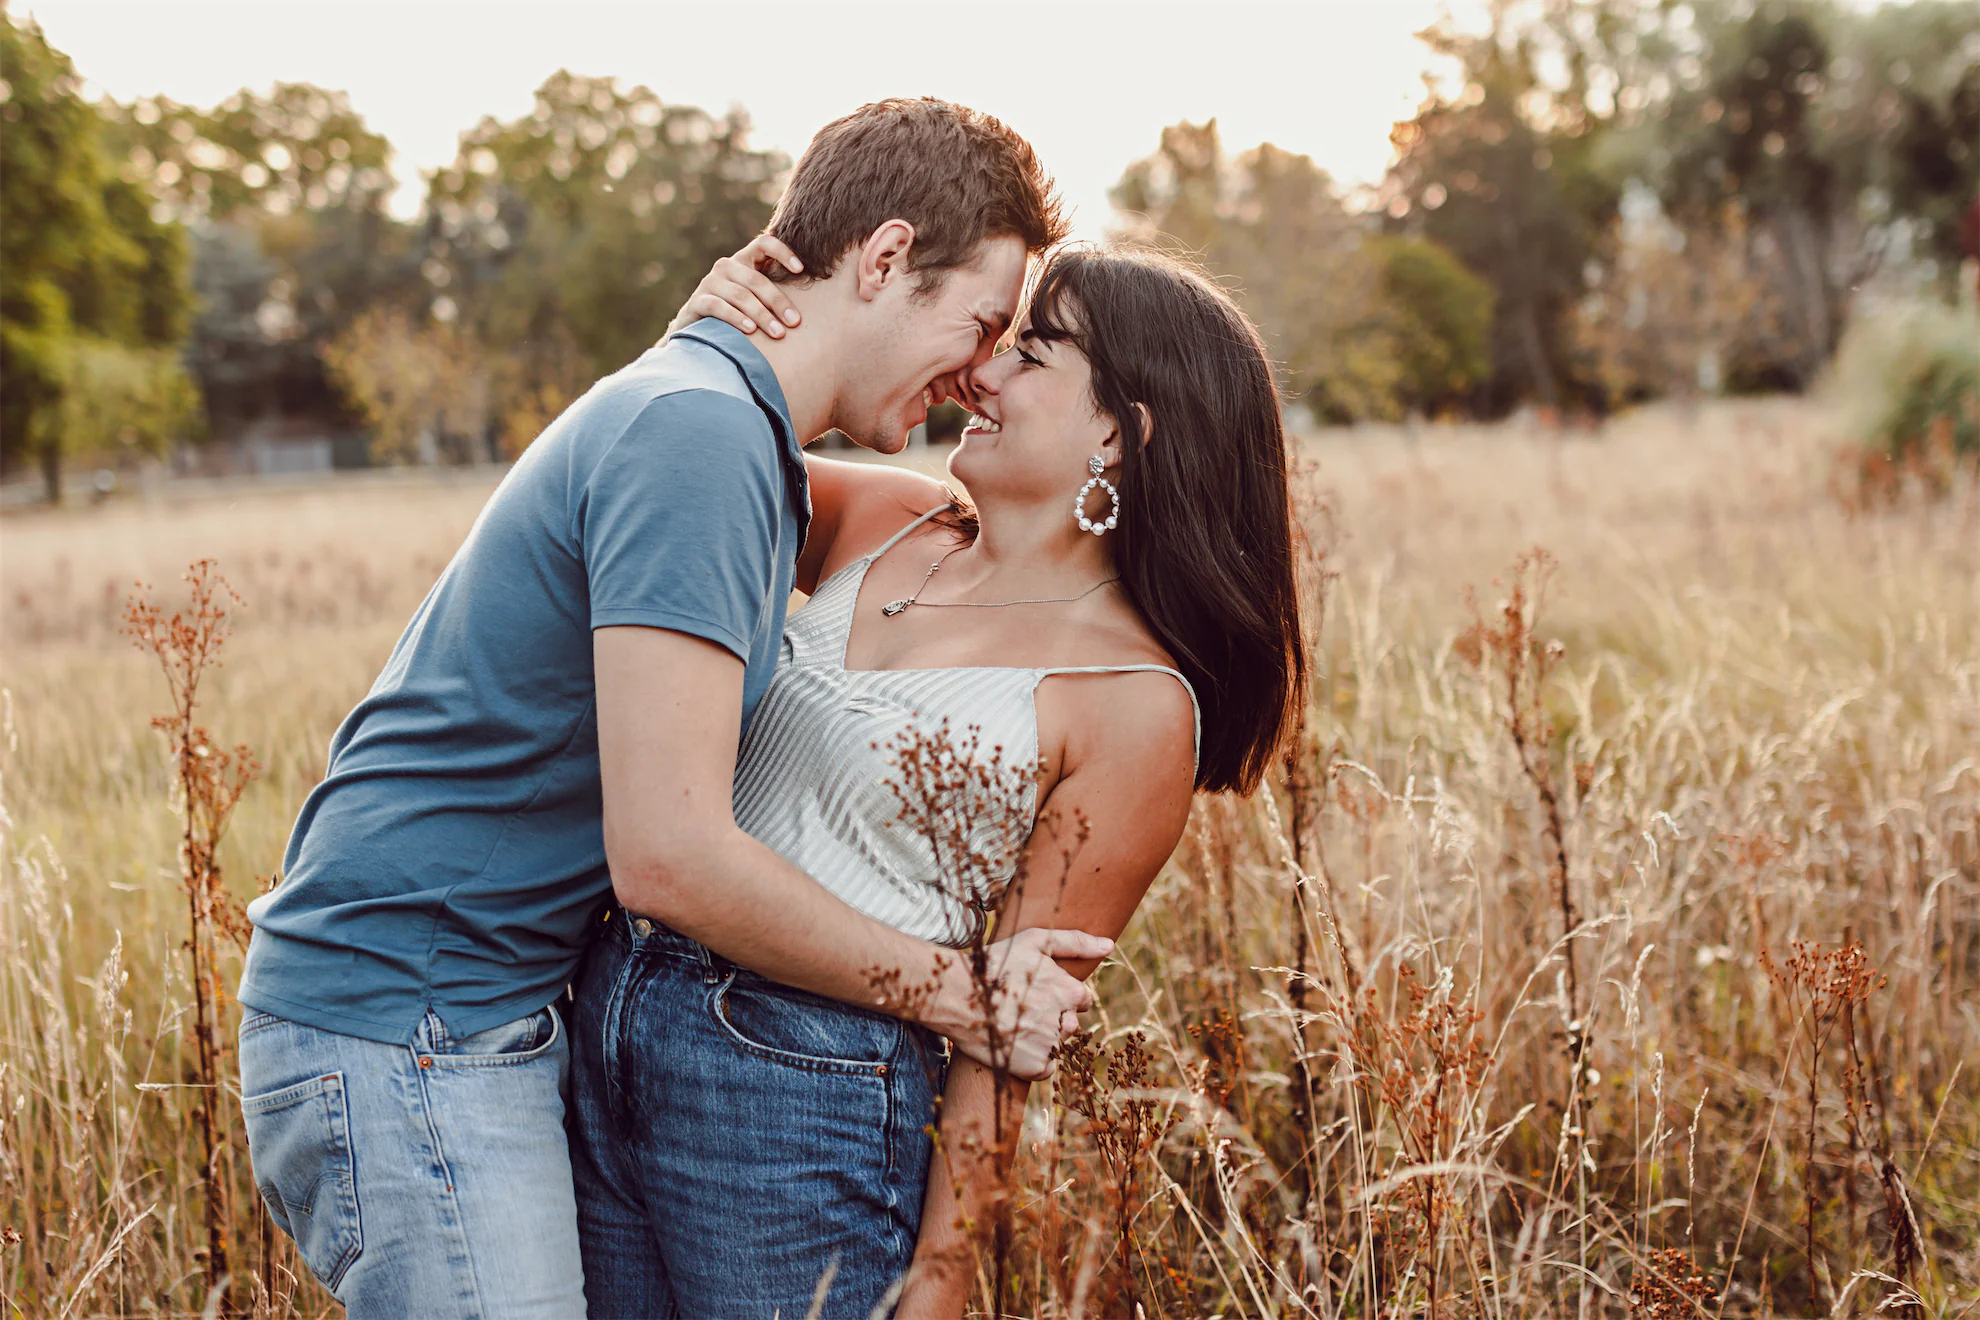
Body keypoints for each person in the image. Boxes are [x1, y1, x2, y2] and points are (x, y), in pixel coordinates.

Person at [232, 98, 1106, 1319]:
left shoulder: (714, 419)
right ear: (888, 257)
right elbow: (670, 858)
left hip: (470, 1014)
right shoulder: (698, 432)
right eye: (978, 323)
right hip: (411, 1024)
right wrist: (957, 993)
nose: (977, 370)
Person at [568, 238, 1306, 1317]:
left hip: (806, 1097)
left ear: (1122, 427)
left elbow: (1012, 1032)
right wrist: (712, 325)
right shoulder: (884, 523)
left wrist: (941, 1290)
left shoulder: (1132, 703)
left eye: (1034, 355)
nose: (980, 374)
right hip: (614, 1016)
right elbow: (668, 442)